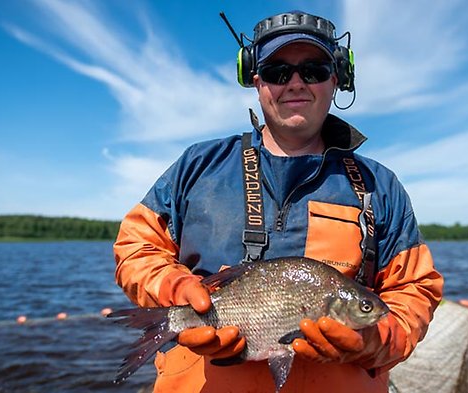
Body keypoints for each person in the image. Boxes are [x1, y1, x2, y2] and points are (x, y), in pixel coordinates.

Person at [114, 10, 443, 393]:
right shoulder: (197, 166)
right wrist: (175, 288)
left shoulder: (378, 185)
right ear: (255, 81)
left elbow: (415, 292)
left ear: (336, 79)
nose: (296, 83)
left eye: (314, 70)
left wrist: (373, 340)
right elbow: (136, 247)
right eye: (278, 72)